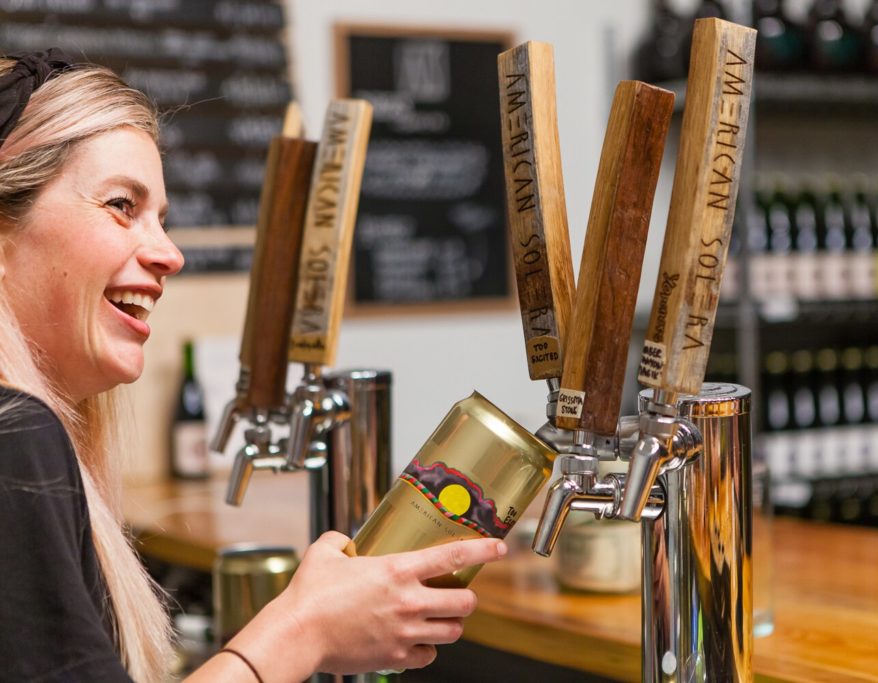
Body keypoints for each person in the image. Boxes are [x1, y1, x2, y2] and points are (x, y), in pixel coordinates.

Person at [0, 50, 506, 683]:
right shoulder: (14, 437)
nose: (169, 254)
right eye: (121, 205)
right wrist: (305, 629)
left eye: (163, 219)